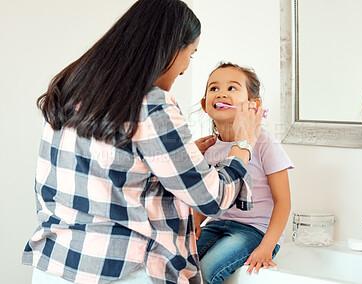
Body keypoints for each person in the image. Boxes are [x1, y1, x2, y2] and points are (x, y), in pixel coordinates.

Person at [22, 1, 264, 283]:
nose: (186, 68)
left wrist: (171, 163)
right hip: (121, 271)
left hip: (56, 265)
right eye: (191, 55)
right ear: (170, 50)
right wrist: (243, 145)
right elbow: (211, 199)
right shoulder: (153, 106)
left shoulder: (71, 86)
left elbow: (108, 178)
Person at [194, 62, 293, 284]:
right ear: (204, 104)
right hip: (217, 224)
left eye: (232, 88)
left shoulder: (265, 143)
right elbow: (205, 195)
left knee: (207, 271)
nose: (221, 93)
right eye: (214, 88)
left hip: (255, 231)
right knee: (180, 263)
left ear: (253, 105)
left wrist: (267, 247)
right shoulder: (207, 148)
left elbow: (283, 201)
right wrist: (195, 222)